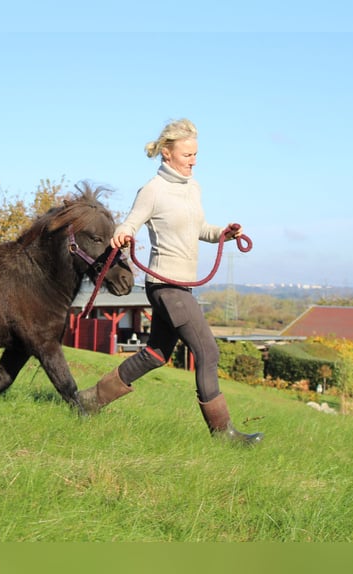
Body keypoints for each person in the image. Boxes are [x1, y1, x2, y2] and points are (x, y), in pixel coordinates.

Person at [78, 118, 263, 445]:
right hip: (165, 286)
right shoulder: (152, 190)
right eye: (187, 154)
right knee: (207, 351)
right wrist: (123, 232)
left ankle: (88, 401)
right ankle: (224, 436)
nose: (193, 160)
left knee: (156, 354)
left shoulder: (193, 187)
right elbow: (132, 222)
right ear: (167, 153)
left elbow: (201, 229)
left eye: (196, 155)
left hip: (183, 285)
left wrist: (225, 234)